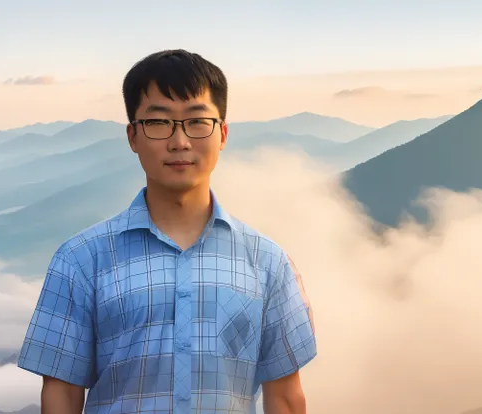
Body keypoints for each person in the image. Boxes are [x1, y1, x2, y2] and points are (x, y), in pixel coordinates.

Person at [16, 49, 317, 414]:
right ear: (132, 136)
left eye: (197, 121)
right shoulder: (80, 260)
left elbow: (285, 397)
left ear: (222, 134)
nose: (180, 142)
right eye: (159, 123)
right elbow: (61, 396)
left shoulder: (269, 262)